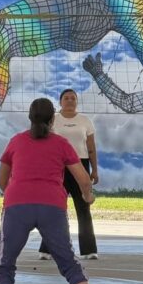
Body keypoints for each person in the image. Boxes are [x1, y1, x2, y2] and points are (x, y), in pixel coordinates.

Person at [0, 98, 113, 284]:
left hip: (17, 205)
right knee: (68, 261)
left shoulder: (16, 141)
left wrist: (14, 196)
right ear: (52, 120)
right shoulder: (61, 144)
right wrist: (88, 196)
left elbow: (1, 179)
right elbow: (83, 178)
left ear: (30, 118)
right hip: (52, 206)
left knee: (6, 262)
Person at [39, 89, 100, 260]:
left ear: (77, 101)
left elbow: (91, 147)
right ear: (60, 102)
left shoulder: (85, 121)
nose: (70, 100)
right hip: (58, 166)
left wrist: (94, 169)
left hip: (81, 164)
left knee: (83, 207)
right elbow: (45, 145)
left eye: (73, 98)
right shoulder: (53, 120)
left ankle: (89, 249)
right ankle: (46, 249)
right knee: (54, 208)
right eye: (66, 98)